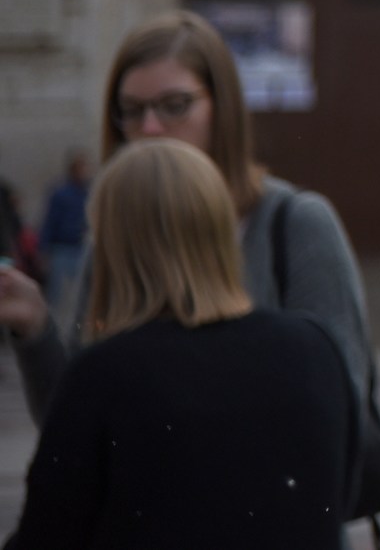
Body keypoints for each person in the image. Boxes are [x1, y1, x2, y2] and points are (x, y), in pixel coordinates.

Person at [0, 13, 377, 440]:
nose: (151, 128)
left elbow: (342, 400)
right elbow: (72, 425)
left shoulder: (295, 223)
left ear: (223, 107)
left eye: (174, 105)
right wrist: (33, 328)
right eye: (132, 111)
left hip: (264, 499)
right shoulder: (112, 236)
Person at [3, 138, 359, 550]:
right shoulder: (316, 349)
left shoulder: (107, 373)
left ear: (114, 245)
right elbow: (335, 495)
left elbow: (50, 533)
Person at [37, 151, 91, 316]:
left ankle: (80, 327)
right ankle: (50, 323)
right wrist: (43, 250)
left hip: (81, 247)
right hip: (62, 247)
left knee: (83, 293)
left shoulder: (87, 193)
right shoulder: (61, 193)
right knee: (56, 292)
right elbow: (50, 221)